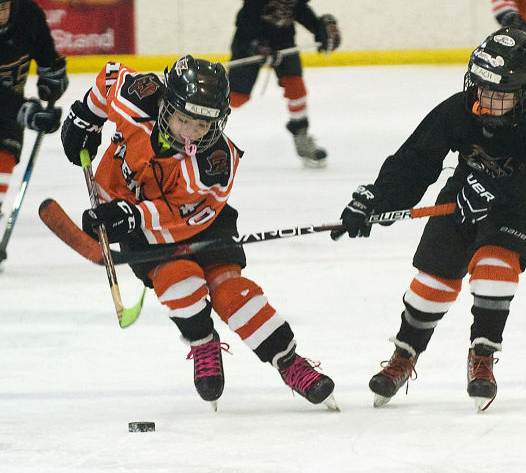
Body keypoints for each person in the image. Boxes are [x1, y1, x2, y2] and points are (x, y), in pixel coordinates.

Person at [59, 54, 337, 411]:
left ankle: (287, 359)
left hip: (198, 220)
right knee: (180, 281)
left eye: (203, 125)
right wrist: (87, 116)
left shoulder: (216, 162)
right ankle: (202, 342)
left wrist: (130, 216)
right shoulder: (138, 96)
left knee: (231, 292)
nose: (192, 133)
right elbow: (111, 75)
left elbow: (181, 216)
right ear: (166, 106)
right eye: (184, 120)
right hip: (133, 216)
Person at [332, 27, 526, 411]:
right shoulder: (459, 109)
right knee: (432, 281)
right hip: (462, 195)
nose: (487, 99)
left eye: (501, 94)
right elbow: (415, 161)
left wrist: (499, 197)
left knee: (495, 266)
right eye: (482, 87)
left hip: (518, 208)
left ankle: (482, 357)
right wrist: (376, 202)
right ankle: (404, 356)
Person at [228, 0, 341, 168]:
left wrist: (318, 28)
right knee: (236, 98)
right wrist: (257, 44)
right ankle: (198, 122)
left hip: (283, 39)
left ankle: (301, 135)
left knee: (296, 87)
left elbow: (299, 9)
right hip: (249, 39)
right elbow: (248, 13)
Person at [0, 0, 67, 218]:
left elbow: (46, 52)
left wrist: (52, 73)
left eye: (3, 7)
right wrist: (23, 111)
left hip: (7, 125)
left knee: (5, 154)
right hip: (10, 111)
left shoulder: (27, 13)